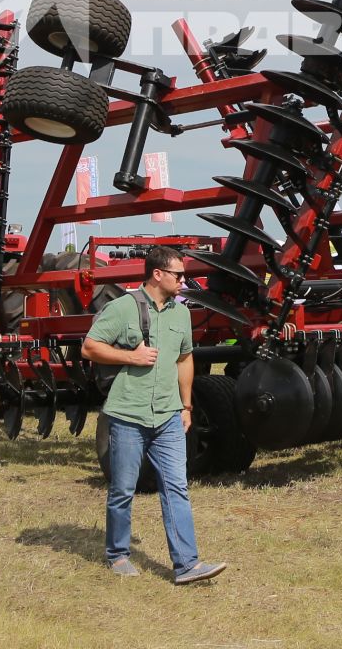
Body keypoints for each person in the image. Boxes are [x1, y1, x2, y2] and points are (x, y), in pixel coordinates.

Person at [80, 246, 227, 586]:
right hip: (128, 415)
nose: (183, 279)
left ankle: (186, 565)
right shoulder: (122, 308)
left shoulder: (181, 314)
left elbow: (185, 358)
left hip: (169, 417)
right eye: (178, 274)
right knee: (123, 489)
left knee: (177, 487)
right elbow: (90, 347)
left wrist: (186, 406)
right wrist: (130, 357)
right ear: (157, 274)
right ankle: (117, 554)